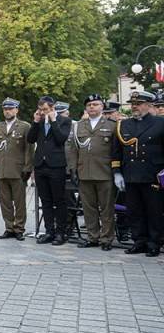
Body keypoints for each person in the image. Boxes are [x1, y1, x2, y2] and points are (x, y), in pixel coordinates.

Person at [111, 90, 164, 256]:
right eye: (133, 104)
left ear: (149, 105)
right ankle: (139, 241)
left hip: (152, 175)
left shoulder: (160, 123)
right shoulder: (123, 124)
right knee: (134, 211)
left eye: (139, 104)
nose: (135, 107)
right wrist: (117, 172)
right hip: (131, 174)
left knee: (154, 211)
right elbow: (116, 151)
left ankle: (154, 243)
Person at [67, 94, 116, 250]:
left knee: (106, 209)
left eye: (95, 104)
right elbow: (73, 149)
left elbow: (116, 150)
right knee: (89, 208)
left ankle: (106, 239)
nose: (92, 107)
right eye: (89, 105)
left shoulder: (112, 125)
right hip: (84, 172)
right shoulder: (78, 126)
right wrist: (73, 169)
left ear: (102, 107)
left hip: (105, 173)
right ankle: (92, 237)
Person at [27, 96, 72, 244]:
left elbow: (61, 139)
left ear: (53, 108)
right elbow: (30, 139)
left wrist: (53, 121)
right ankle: (49, 231)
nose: (42, 112)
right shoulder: (39, 121)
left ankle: (61, 232)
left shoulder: (64, 121)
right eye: (40, 109)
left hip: (56, 165)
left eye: (45, 109)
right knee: (45, 201)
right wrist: (35, 122)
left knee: (59, 200)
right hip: (41, 165)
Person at [0, 98, 33, 241]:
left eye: (10, 109)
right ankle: (9, 227)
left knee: (19, 202)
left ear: (16, 110)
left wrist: (27, 168)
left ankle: (19, 228)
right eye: (5, 109)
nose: (7, 111)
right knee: (5, 202)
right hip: (2, 170)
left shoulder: (25, 126)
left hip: (18, 171)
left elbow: (29, 149)